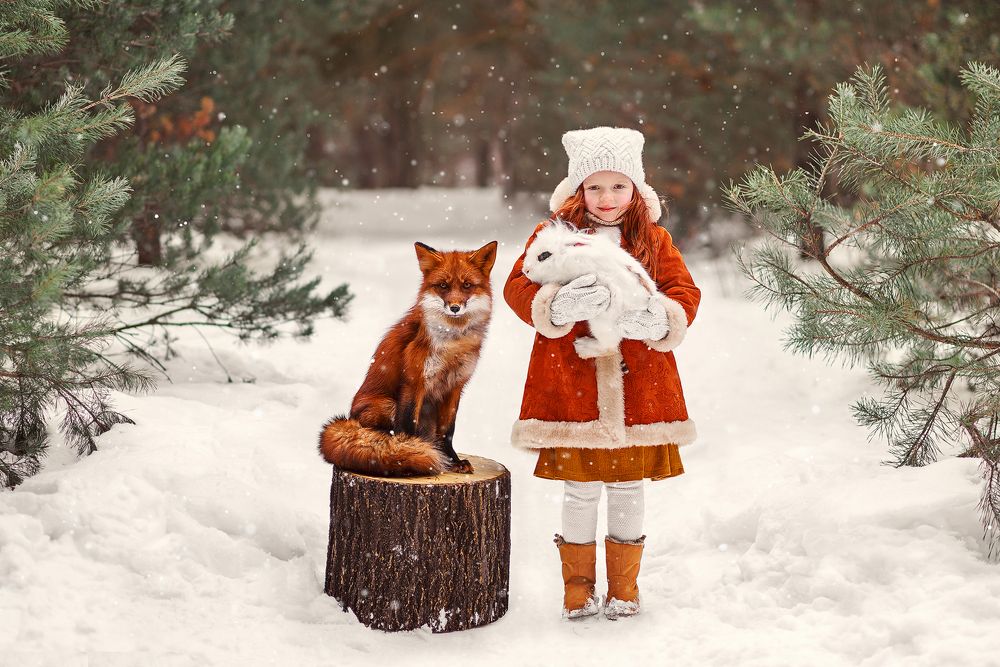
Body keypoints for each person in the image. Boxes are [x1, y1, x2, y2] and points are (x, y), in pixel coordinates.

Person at [503, 126, 701, 620]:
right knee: (580, 487)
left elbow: (684, 292)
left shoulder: (654, 239)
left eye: (618, 186)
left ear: (636, 189)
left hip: (640, 384)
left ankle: (625, 590)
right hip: (572, 382)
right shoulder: (553, 236)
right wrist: (556, 303)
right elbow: (515, 287)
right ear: (577, 189)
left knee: (628, 485)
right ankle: (578, 590)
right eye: (595, 187)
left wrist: (661, 317)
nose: (607, 198)